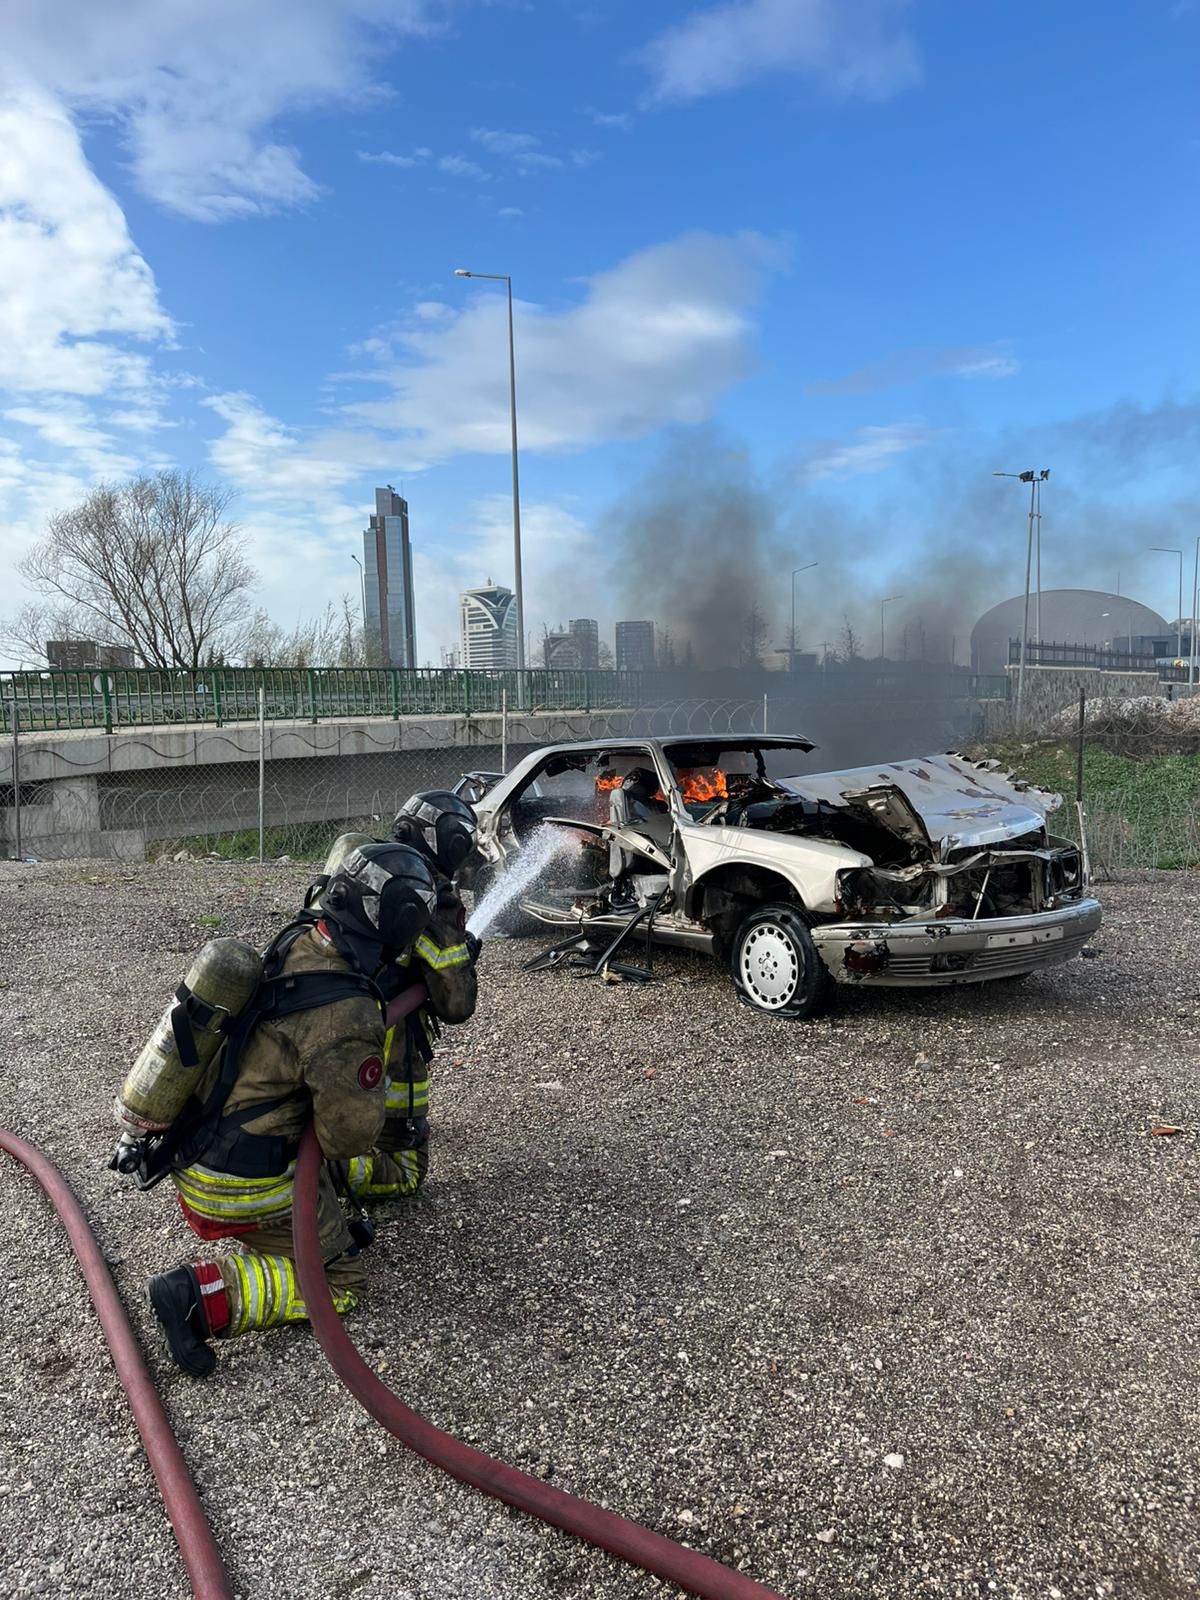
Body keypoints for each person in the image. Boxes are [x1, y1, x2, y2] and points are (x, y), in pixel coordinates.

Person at [145, 843, 438, 1378]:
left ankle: (310, 1228)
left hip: (198, 1145)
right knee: (341, 1283)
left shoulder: (301, 939)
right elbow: (347, 1138)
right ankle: (198, 1296)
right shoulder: (348, 1016)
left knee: (342, 1172)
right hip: (241, 1185)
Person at [328, 791, 481, 1207]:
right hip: (382, 1046)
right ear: (451, 844)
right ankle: (312, 1175)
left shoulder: (364, 867)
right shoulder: (427, 899)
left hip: (323, 1028)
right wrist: (464, 959)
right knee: (406, 1173)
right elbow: (456, 1006)